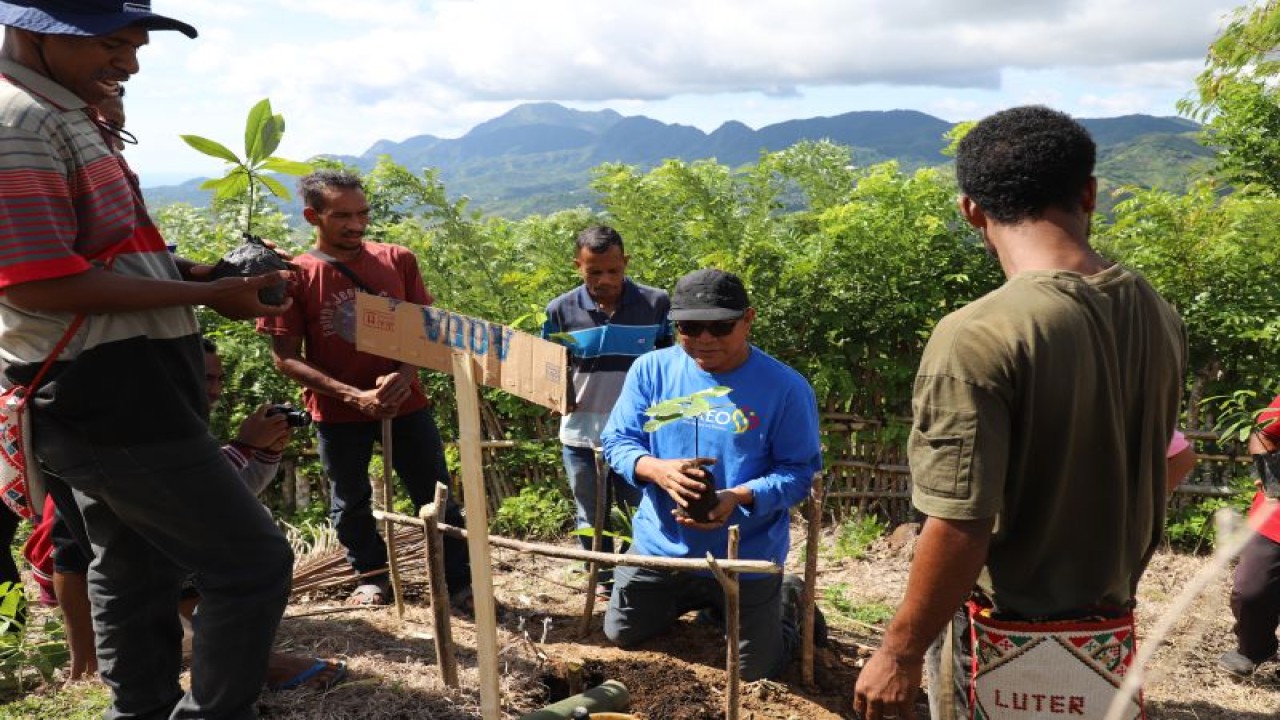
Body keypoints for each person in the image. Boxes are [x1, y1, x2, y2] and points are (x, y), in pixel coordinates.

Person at [0, 2, 296, 718]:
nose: (128, 64)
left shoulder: (66, 111)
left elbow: (109, 253)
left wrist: (205, 277)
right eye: (111, 43)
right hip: (106, 391)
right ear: (35, 33)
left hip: (121, 383)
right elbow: (37, 283)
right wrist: (211, 296)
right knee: (252, 563)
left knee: (135, 565)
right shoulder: (20, 123)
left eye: (134, 46)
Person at [853, 106, 1187, 720]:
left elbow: (960, 522)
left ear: (971, 211)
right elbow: (1174, 456)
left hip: (1004, 641)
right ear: (1088, 194)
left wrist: (899, 652)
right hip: (1106, 636)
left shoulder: (978, 335)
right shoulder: (1154, 311)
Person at [259, 169, 471, 608]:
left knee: (435, 494)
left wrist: (404, 377)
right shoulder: (295, 276)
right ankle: (371, 577)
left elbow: (426, 332)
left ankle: (459, 583)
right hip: (337, 412)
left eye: (362, 213)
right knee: (350, 500)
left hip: (406, 404)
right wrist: (353, 396)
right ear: (312, 217)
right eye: (342, 216)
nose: (356, 224)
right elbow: (285, 356)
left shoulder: (398, 260)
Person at [599, 268, 823, 681]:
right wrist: (656, 469)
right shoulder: (651, 371)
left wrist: (737, 496)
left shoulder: (785, 388)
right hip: (662, 546)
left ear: (748, 319)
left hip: (745, 554)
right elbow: (618, 440)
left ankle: (786, 600)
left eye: (719, 327)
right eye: (689, 327)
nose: (704, 339)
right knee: (622, 633)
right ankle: (703, 602)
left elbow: (799, 472)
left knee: (755, 670)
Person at [541, 225, 671, 595]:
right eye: (594, 271)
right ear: (578, 267)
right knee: (590, 511)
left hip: (638, 434)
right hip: (580, 432)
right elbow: (549, 366)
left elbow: (668, 361)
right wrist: (555, 395)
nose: (605, 279)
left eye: (613, 270)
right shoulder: (560, 310)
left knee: (638, 509)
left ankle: (635, 576)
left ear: (625, 262)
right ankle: (601, 579)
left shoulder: (656, 303)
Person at [1220, 395, 1280, 677]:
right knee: (1251, 592)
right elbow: (1262, 434)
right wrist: (1271, 481)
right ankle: (1255, 648)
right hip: (1274, 517)